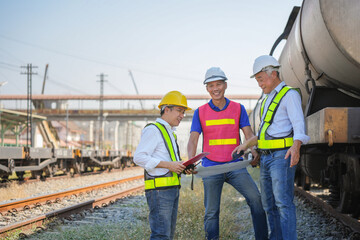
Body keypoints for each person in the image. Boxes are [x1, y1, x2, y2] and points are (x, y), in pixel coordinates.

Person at [233, 55, 310, 240]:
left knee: (283, 203)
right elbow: (266, 133)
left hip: (281, 157)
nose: (259, 84)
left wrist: (296, 147)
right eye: (258, 79)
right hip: (266, 158)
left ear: (273, 73)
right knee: (269, 204)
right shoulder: (267, 99)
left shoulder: (289, 95)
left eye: (260, 78)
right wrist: (246, 145)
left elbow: (299, 125)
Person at [187, 67, 268, 240]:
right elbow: (193, 140)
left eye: (218, 84)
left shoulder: (238, 108)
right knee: (211, 213)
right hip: (211, 168)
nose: (215, 88)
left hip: (236, 166)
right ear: (207, 88)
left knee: (257, 201)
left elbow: (249, 134)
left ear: (225, 85)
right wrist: (190, 161)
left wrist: (253, 151)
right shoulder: (199, 112)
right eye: (210, 85)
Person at [133, 90, 191, 240]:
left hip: (171, 189)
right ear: (167, 110)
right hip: (159, 191)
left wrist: (183, 167)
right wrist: (169, 165)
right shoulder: (153, 130)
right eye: (179, 110)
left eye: (183, 112)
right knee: (161, 235)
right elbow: (139, 157)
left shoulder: (170, 132)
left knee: (167, 235)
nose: (182, 115)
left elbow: (169, 161)